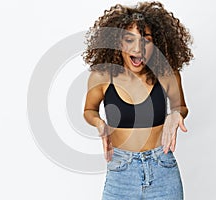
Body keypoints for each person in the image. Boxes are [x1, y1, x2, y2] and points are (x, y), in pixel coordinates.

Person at [82, 1, 193, 199]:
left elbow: (180, 106)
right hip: (121, 172)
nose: (138, 48)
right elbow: (89, 110)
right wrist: (99, 123)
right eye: (129, 40)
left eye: (146, 40)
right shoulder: (102, 76)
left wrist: (176, 114)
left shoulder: (167, 74)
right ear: (118, 43)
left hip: (163, 168)